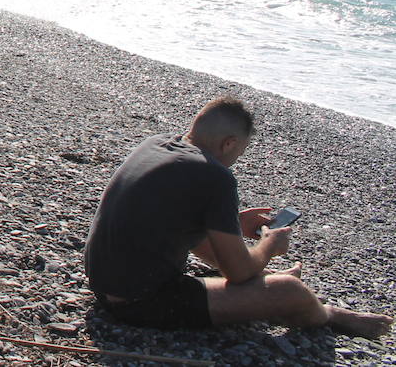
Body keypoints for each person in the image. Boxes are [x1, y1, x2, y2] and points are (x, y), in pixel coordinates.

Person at [85, 97, 391, 338]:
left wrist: (231, 227)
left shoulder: (157, 144)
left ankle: (264, 293)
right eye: (239, 153)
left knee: (256, 278)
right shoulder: (215, 176)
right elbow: (239, 274)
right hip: (139, 302)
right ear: (228, 143)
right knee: (289, 290)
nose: (234, 161)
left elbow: (177, 226)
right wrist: (268, 246)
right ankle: (326, 314)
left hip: (104, 284)